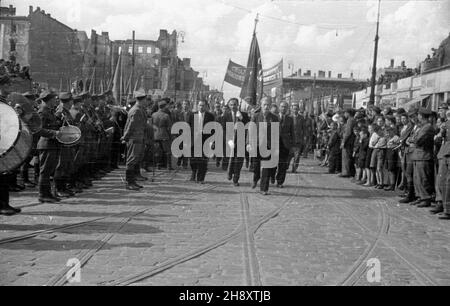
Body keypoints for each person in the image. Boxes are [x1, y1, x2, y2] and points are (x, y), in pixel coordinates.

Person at [249, 97, 279, 196]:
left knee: (266, 168)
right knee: (256, 166)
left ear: (270, 106)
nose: (266, 106)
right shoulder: (256, 116)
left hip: (268, 146)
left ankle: (264, 189)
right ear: (261, 106)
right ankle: (256, 178)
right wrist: (248, 143)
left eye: (268, 105)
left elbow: (276, 133)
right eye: (264, 104)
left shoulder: (274, 118)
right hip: (257, 145)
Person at [36, 91, 62, 203]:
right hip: (46, 144)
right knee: (45, 171)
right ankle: (43, 194)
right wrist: (54, 133)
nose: (56, 100)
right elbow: (38, 129)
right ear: (49, 100)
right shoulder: (42, 112)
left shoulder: (50, 111)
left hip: (52, 144)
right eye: (54, 99)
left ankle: (48, 193)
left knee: (49, 170)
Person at [122, 90, 148, 191]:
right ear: (142, 100)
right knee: (131, 160)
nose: (147, 101)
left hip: (138, 137)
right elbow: (131, 126)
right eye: (145, 99)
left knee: (134, 159)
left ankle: (132, 181)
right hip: (134, 138)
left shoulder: (139, 109)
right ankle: (129, 182)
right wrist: (125, 137)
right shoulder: (136, 110)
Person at [410, 108, 435, 208]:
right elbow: (414, 139)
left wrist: (413, 140)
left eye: (419, 115)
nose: (418, 117)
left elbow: (418, 140)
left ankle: (426, 198)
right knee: (417, 178)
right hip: (418, 155)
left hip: (423, 155)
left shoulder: (427, 127)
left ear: (421, 116)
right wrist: (413, 139)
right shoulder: (422, 127)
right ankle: (420, 196)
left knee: (423, 178)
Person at [222, 98, 250, 186]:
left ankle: (236, 179)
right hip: (230, 141)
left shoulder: (244, 115)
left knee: (239, 161)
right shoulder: (226, 115)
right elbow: (223, 129)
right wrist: (228, 140)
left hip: (240, 141)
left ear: (237, 105)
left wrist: (241, 118)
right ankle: (229, 172)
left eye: (234, 104)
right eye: (231, 104)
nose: (233, 106)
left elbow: (249, 126)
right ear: (229, 106)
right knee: (230, 159)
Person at [54, 92, 76, 198]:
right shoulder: (60, 112)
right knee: (61, 166)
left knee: (66, 165)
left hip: (68, 142)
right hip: (62, 143)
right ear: (69, 101)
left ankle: (63, 187)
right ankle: (59, 188)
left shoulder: (66, 112)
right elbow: (58, 127)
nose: (73, 102)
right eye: (72, 100)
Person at [188, 100, 215, 184]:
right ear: (197, 106)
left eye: (203, 105)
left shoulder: (210, 116)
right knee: (193, 159)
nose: (201, 107)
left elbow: (213, 129)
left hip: (205, 140)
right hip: (194, 140)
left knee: (203, 160)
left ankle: (200, 178)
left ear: (206, 106)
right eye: (199, 105)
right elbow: (188, 127)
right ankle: (193, 172)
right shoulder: (192, 115)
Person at [275, 102, 294, 188]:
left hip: (285, 144)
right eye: (282, 106)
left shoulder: (290, 119)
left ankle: (280, 181)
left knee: (283, 164)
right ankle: (272, 176)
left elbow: (292, 132)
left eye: (285, 107)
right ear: (279, 107)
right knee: (273, 163)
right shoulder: (274, 117)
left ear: (287, 109)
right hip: (274, 143)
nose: (283, 108)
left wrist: (292, 145)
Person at [152, 99, 173, 171]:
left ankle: (158, 165)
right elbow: (169, 127)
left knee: (158, 151)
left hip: (155, 135)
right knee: (167, 151)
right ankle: (168, 166)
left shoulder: (153, 115)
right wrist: (171, 135)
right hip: (164, 135)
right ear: (163, 107)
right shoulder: (166, 115)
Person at [340, 108, 356, 178]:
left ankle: (346, 172)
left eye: (345, 113)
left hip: (348, 141)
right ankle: (346, 172)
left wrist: (343, 141)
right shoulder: (352, 120)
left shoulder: (350, 120)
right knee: (347, 157)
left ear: (348, 113)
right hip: (350, 140)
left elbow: (348, 132)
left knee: (346, 156)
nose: (344, 114)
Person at [289, 103, 305, 174]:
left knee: (297, 155)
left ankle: (294, 169)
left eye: (296, 109)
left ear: (298, 109)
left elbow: (303, 128)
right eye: (294, 109)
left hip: (298, 140)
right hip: (290, 140)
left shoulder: (301, 118)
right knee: (289, 155)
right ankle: (286, 166)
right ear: (291, 109)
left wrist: (304, 138)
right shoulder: (289, 117)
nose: (295, 110)